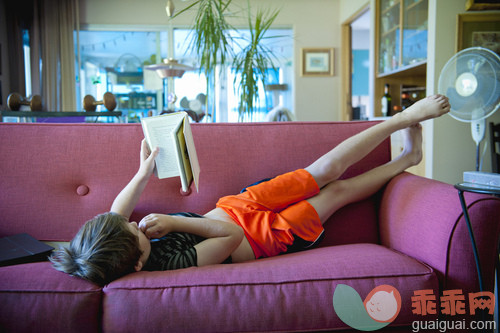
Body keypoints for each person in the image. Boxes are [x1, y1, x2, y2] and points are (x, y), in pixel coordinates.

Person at [50, 94, 451, 285]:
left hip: (241, 203)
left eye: (131, 224)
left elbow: (119, 210)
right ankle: (404, 161)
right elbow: (231, 235)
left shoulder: (113, 236)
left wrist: (143, 172)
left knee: (325, 170)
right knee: (337, 192)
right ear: (138, 265)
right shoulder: (169, 265)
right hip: (261, 239)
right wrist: (173, 220)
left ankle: (401, 119)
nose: (140, 226)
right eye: (140, 236)